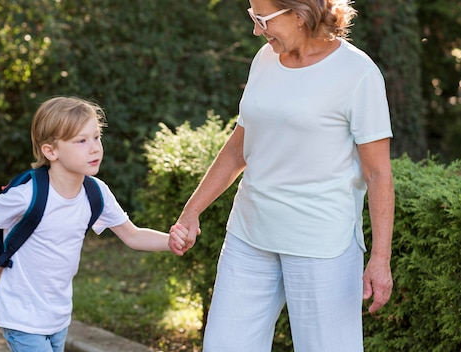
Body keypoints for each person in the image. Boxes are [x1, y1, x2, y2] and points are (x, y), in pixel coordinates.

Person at [169, 0, 394, 351]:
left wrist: (380, 259)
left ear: (300, 14)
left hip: (321, 246)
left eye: (263, 19)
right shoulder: (264, 60)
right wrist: (192, 209)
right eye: (252, 17)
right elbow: (237, 149)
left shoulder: (358, 73)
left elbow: (379, 173)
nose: (256, 30)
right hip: (249, 236)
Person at [0, 96, 188, 352]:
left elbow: (132, 235)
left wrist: (170, 242)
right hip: (21, 315)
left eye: (96, 137)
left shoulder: (95, 192)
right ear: (50, 151)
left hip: (58, 316)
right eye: (81, 140)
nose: (94, 148)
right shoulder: (27, 195)